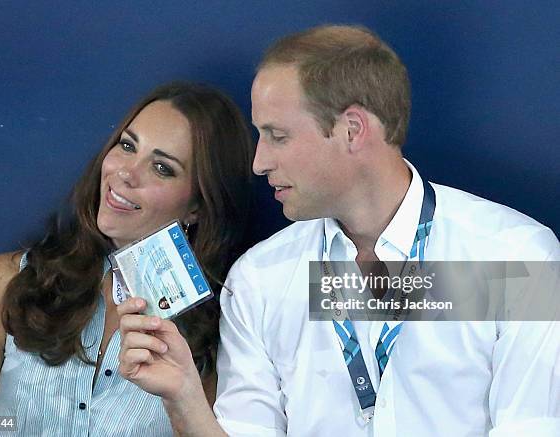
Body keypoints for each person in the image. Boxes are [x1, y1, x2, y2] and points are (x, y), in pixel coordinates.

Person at [117, 25, 560, 436]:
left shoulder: (518, 260)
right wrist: (186, 400)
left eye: (277, 135)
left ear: (352, 130)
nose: (259, 162)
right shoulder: (260, 279)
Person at [0, 82, 254, 436]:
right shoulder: (5, 281)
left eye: (162, 168)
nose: (125, 173)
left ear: (198, 207)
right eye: (127, 146)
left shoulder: (222, 332)